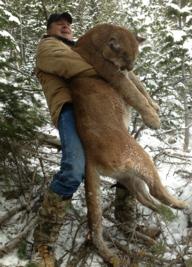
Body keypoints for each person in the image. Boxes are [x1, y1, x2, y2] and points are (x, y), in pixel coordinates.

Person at [31, 12, 97, 267]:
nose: (66, 26)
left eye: (69, 24)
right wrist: (104, 71)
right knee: (72, 170)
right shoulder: (47, 47)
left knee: (124, 162)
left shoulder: (78, 48)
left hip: (95, 109)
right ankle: (43, 244)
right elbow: (69, 66)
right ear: (49, 29)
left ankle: (126, 222)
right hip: (70, 109)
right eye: (60, 24)